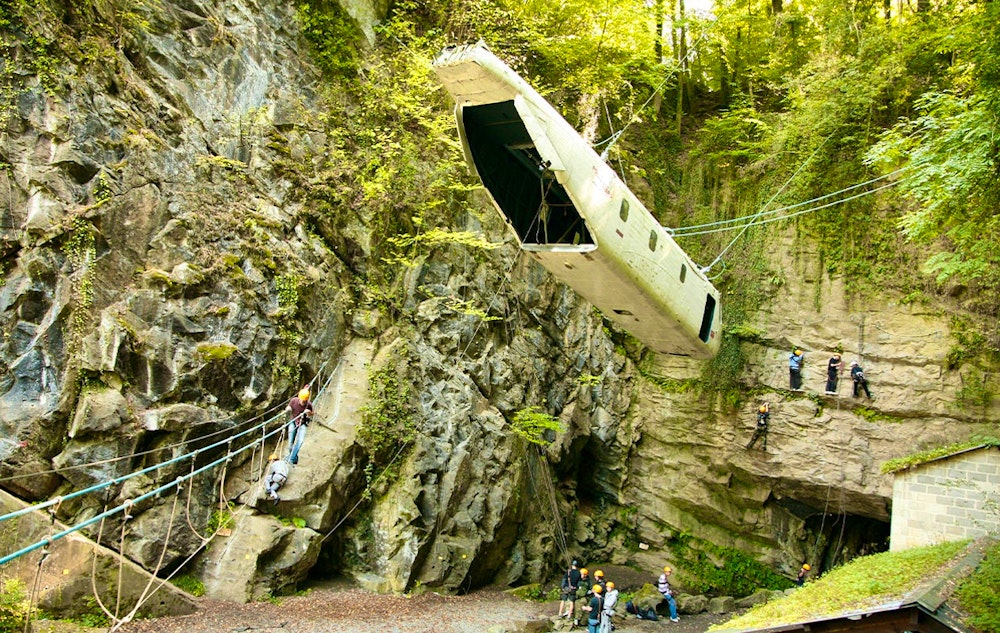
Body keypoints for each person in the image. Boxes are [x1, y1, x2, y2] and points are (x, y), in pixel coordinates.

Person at [285, 386, 314, 465]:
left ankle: (290, 458)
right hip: (293, 421)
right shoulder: (294, 401)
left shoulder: (308, 404)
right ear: (299, 398)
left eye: (305, 401)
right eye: (303, 401)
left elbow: (312, 413)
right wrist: (288, 408)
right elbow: (288, 406)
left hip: (302, 423)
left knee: (300, 441)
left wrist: (309, 412)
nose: (303, 403)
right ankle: (294, 458)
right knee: (290, 444)